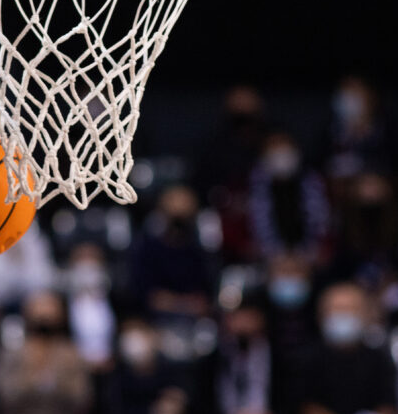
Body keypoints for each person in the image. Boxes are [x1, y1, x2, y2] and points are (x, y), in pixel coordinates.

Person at [298, 283, 397, 414]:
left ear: (366, 315)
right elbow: (305, 407)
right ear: (321, 315)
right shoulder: (307, 358)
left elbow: (388, 406)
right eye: (337, 309)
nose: (343, 315)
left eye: (350, 309)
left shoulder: (379, 358)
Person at [0, 291, 92, 414]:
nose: (44, 317)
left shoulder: (72, 355)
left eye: (50, 310)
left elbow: (83, 398)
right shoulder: (11, 354)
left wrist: (54, 379)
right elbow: (5, 397)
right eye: (39, 310)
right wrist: (32, 373)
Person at [197, 85, 268, 264]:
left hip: (263, 214)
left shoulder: (269, 141)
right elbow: (204, 186)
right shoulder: (214, 146)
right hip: (226, 214)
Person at [130, 186, 214, 320]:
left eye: (183, 218)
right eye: (175, 219)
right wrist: (185, 304)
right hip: (154, 321)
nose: (178, 227)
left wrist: (176, 302)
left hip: (196, 323)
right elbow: (151, 298)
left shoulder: (199, 252)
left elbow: (204, 301)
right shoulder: (148, 250)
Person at [99, 318, 189, 414]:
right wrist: (152, 413)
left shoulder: (168, 368)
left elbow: (182, 392)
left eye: (140, 338)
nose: (136, 346)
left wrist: (177, 400)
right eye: (130, 340)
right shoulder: (118, 377)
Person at [248, 133, 330, 264]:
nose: (281, 158)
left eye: (285, 152)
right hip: (268, 259)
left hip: (310, 257)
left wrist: (312, 252)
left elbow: (322, 222)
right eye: (275, 153)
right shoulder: (253, 186)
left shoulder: (314, 181)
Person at [264, 253, 317, 414]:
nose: (289, 278)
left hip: (310, 403)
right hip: (267, 406)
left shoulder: (319, 313)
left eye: (295, 272)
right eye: (283, 272)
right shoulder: (259, 315)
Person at [217, 294, 272, 414]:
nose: (243, 324)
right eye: (237, 317)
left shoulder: (277, 352)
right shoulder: (216, 354)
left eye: (248, 317)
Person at [65, 242, 117, 370]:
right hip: (73, 365)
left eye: (92, 258)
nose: (87, 265)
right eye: (82, 258)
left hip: (110, 364)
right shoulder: (62, 301)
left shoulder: (117, 297)